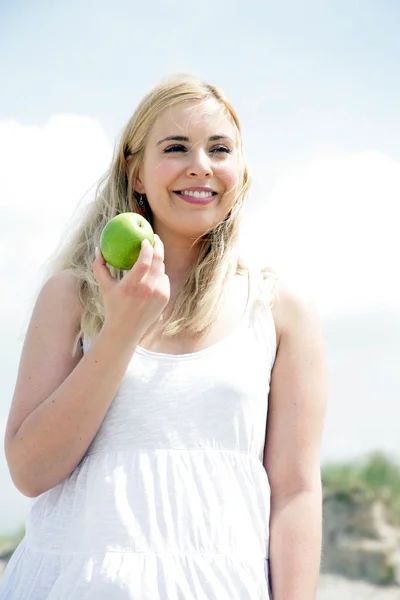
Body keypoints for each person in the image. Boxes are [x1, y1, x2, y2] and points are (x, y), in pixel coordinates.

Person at [0, 74, 327, 599]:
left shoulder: (279, 309)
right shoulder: (71, 297)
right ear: (136, 173)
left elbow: (294, 492)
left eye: (220, 149)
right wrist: (120, 332)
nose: (201, 164)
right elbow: (31, 471)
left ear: (240, 172)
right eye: (176, 147)